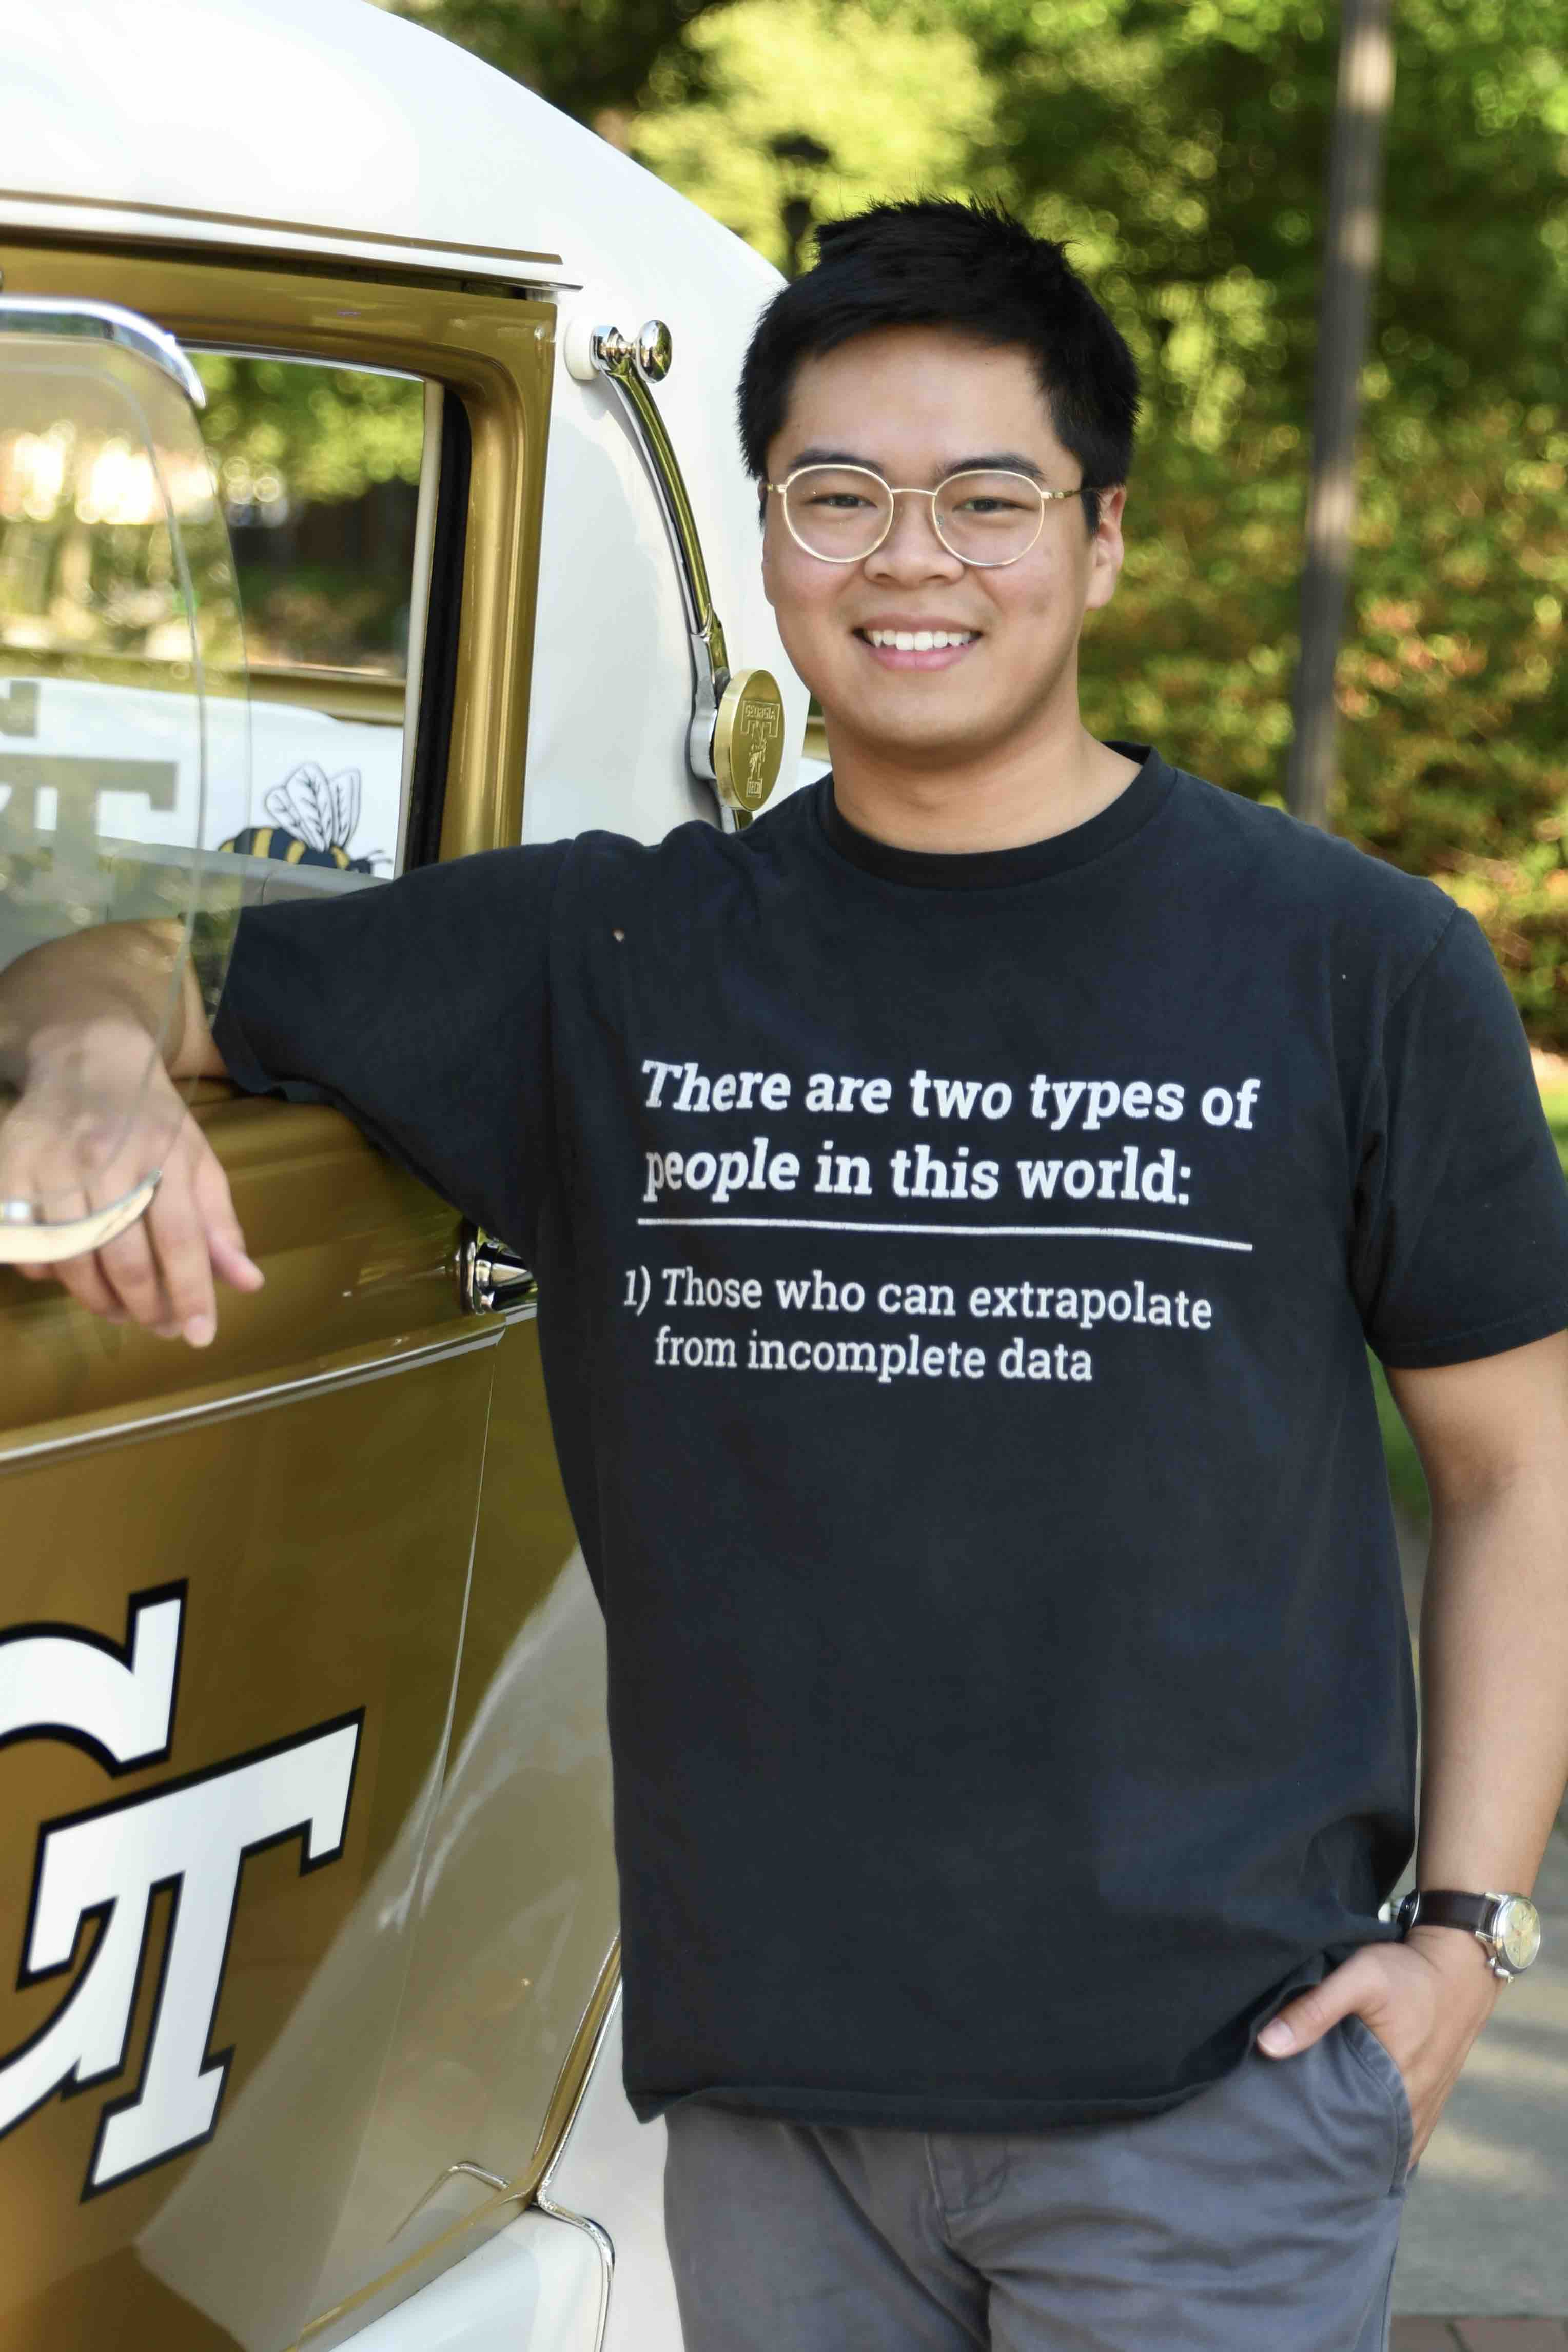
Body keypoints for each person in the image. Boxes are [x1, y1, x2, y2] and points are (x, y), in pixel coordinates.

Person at [4, 199, 1568, 2352]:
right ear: (766, 540)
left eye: (986, 498)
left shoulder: (1353, 963)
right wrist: (93, 1059)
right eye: (837, 496)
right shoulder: (602, 954)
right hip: (772, 2113)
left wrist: (1469, 1930)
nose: (909, 560)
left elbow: (1516, 1468)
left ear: (1102, 537)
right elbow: (122, 969)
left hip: (1217, 2090)